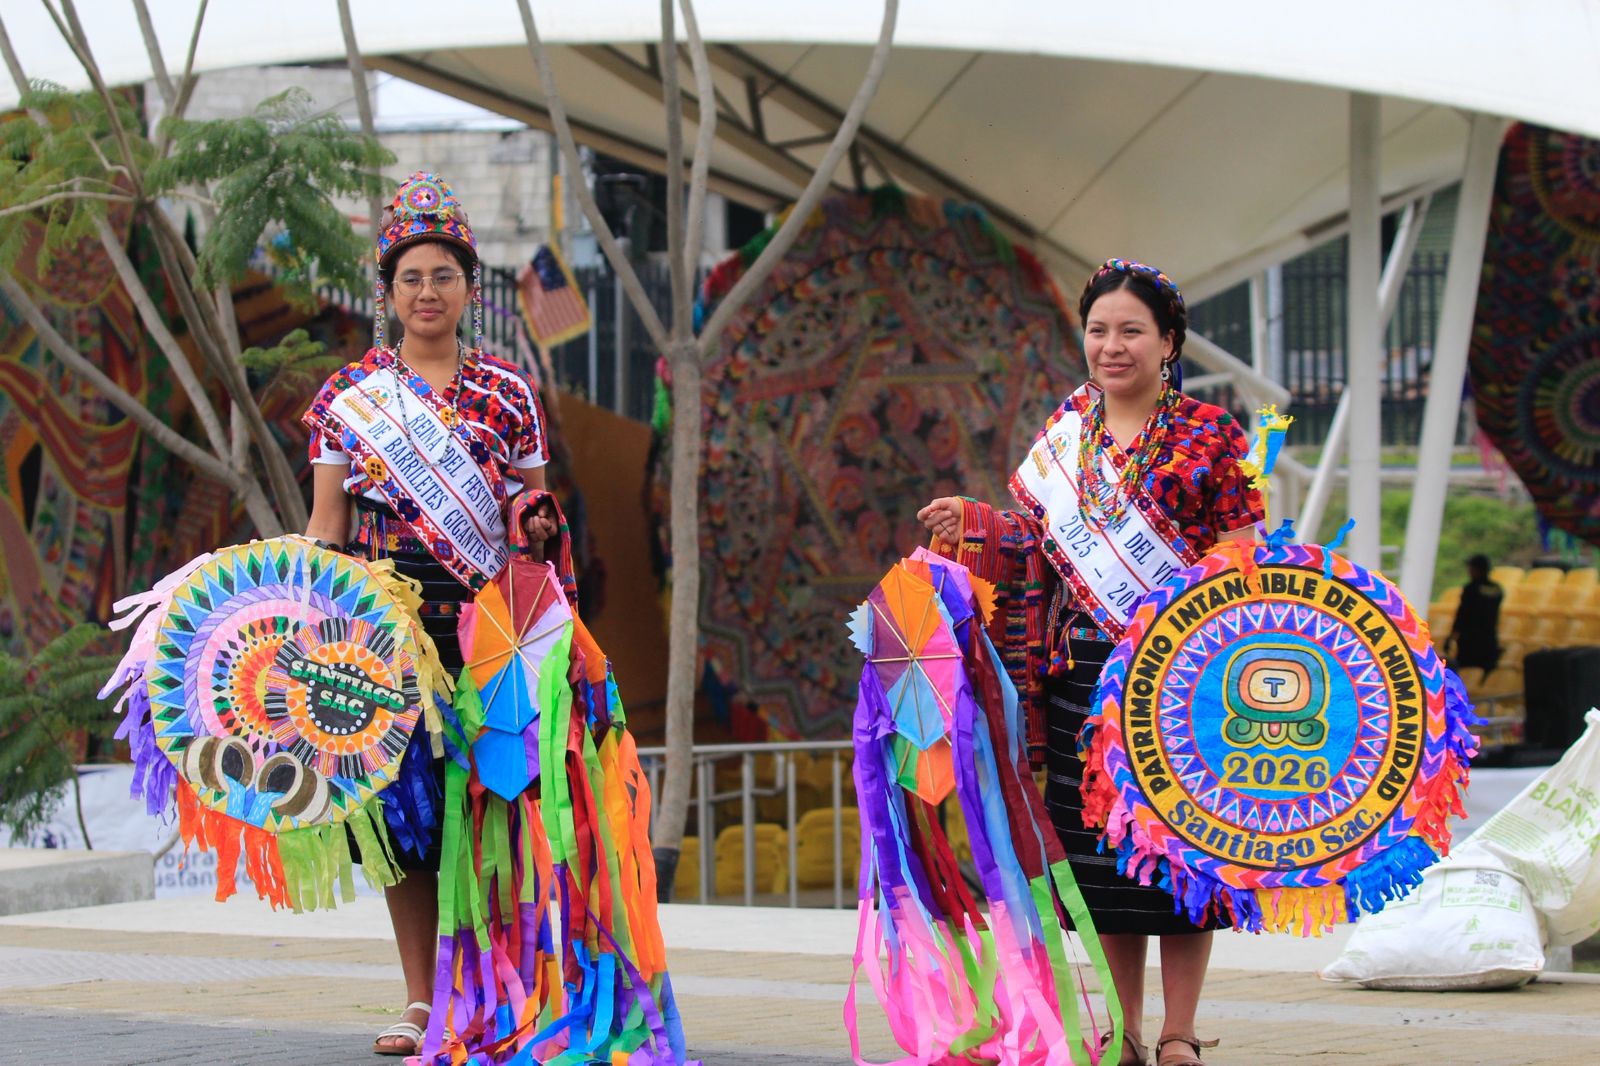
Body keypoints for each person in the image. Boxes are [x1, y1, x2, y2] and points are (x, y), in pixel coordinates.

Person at [918, 258, 1263, 1066]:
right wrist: (971, 522)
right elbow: (1034, 543)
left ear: (1169, 341)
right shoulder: (1066, 433)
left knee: (1185, 857)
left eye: (1131, 331)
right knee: (1105, 864)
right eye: (1099, 330)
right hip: (1080, 682)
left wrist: (1189, 607)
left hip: (1184, 685)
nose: (1112, 346)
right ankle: (1126, 1027)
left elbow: (1244, 544)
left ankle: (1180, 1030)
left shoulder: (1212, 433)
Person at [301, 172, 559, 1056]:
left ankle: (500, 990)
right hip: (387, 642)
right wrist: (315, 629)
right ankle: (422, 1000)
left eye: (443, 275)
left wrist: (541, 524)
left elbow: (538, 512)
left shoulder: (508, 395)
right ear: (387, 292)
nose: (426, 293)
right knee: (402, 820)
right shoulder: (348, 399)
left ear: (468, 288)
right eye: (410, 277)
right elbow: (327, 527)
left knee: (496, 808)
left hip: (491, 632)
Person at [1447, 554, 1503, 671]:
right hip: (1489, 640)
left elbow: (1462, 615)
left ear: (1477, 569)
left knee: (1465, 673)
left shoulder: (1471, 589)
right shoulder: (1496, 589)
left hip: (1470, 641)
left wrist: (1451, 637)